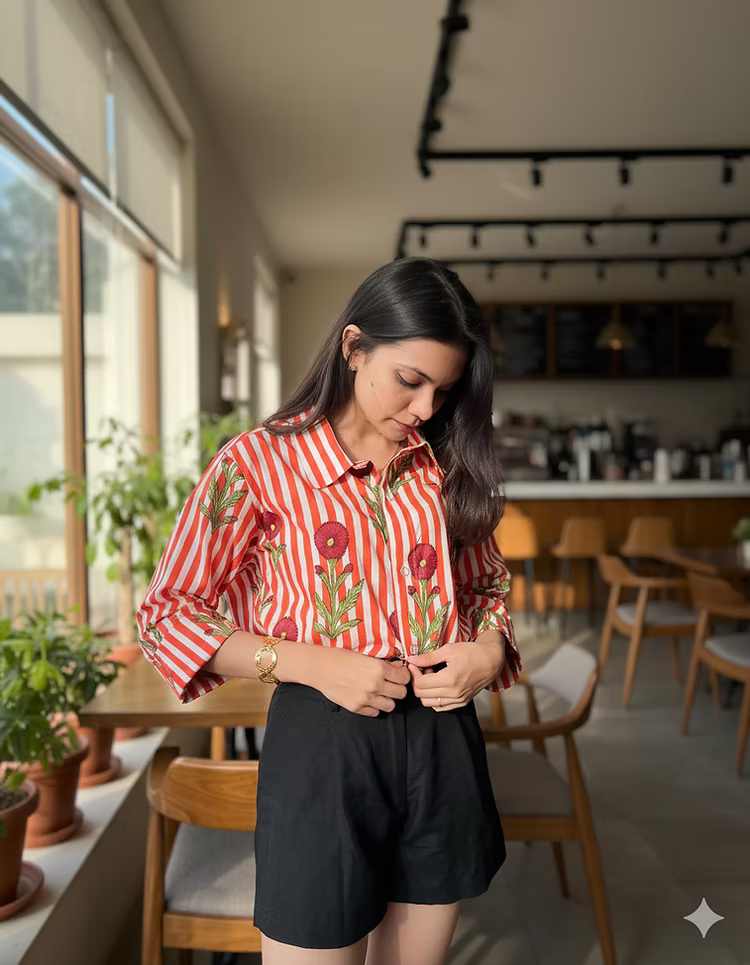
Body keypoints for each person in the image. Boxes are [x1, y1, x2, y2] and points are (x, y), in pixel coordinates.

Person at [137, 257, 521, 965]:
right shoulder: (256, 464)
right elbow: (166, 612)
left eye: (444, 388)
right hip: (323, 744)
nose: (426, 408)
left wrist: (489, 651)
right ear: (354, 347)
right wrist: (308, 661)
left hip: (443, 743)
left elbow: (488, 588)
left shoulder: (445, 462)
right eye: (411, 380)